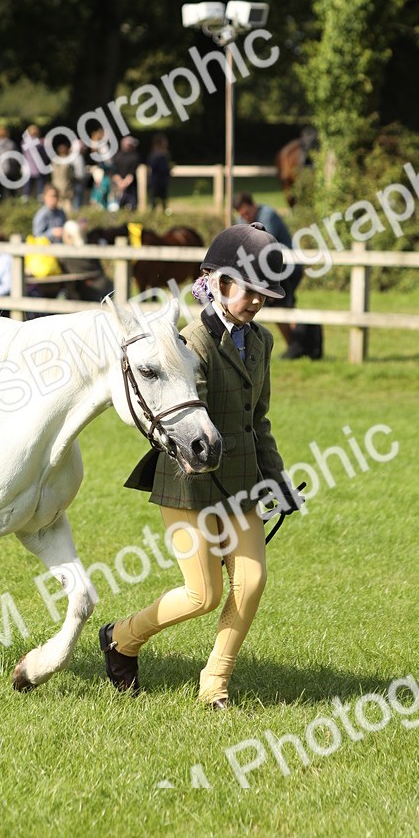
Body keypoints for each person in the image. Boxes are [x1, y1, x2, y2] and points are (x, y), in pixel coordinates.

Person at [99, 222, 304, 708]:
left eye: (264, 294)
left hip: (242, 482)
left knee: (251, 581)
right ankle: (121, 638)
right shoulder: (191, 343)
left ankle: (214, 683)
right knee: (203, 594)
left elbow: (258, 420)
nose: (257, 301)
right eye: (249, 290)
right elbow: (194, 432)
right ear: (216, 283)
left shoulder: (262, 343)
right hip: (188, 485)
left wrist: (276, 479)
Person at [234, 191, 321, 360]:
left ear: (253, 205)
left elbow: (264, 245)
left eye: (246, 212)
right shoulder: (242, 220)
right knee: (278, 307)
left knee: (281, 306)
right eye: (241, 214)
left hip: (287, 268)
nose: (244, 217)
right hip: (268, 270)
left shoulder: (268, 215)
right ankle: (296, 347)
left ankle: (296, 347)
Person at [60, 219, 113, 302]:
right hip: (105, 287)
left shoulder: (66, 254)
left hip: (92, 292)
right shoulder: (88, 248)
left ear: (69, 236)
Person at [112, 135, 140, 210]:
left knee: (132, 207)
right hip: (119, 187)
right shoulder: (117, 156)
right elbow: (114, 172)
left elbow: (131, 174)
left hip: (130, 186)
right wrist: (120, 183)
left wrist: (124, 184)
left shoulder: (134, 156)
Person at [21, 124, 48, 201]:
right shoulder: (38, 142)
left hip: (30, 168)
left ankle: (27, 200)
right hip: (35, 167)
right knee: (35, 186)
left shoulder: (24, 142)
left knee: (29, 186)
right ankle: (35, 199)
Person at [148, 133, 171, 211]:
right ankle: (153, 211)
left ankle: (164, 210)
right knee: (154, 198)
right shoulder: (156, 155)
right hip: (156, 179)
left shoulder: (164, 154)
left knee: (163, 198)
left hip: (162, 179)